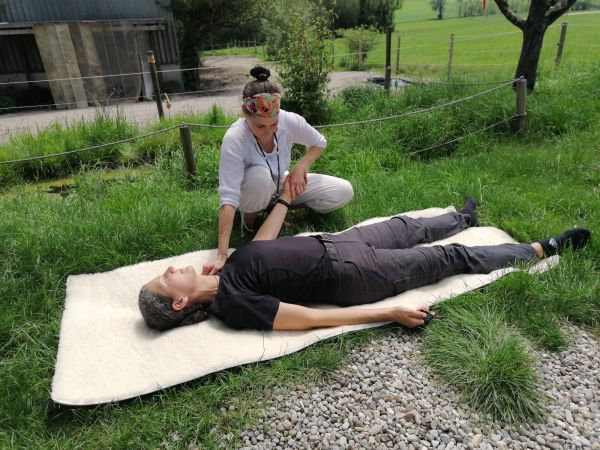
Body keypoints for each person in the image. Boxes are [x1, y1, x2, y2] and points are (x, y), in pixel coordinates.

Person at [138, 180, 591, 332]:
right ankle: (542, 249)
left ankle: (464, 217)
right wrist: (387, 313)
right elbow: (308, 319)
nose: (171, 268)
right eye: (166, 278)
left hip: (341, 241)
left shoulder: (226, 271)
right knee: (446, 258)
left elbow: (264, 245)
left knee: (410, 226)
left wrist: (284, 198)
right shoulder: (233, 306)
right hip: (353, 275)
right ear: (180, 302)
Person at [203, 65, 354, 276]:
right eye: (260, 126)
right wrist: (222, 254)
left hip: (281, 182)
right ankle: (249, 223)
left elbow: (319, 142)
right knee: (260, 178)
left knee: (343, 190)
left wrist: (301, 167)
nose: (268, 131)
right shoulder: (234, 138)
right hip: (253, 189)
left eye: (273, 124)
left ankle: (278, 208)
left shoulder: (288, 120)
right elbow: (228, 198)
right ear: (245, 114)